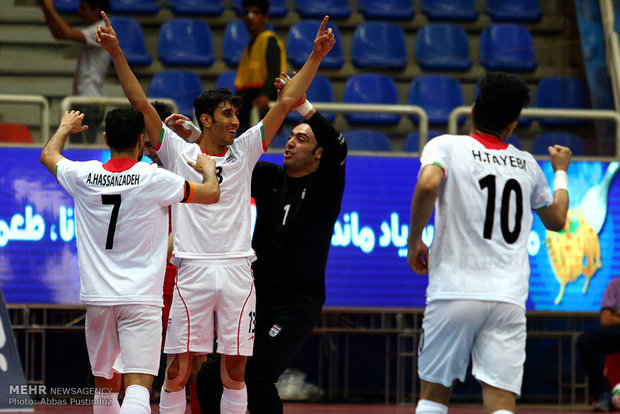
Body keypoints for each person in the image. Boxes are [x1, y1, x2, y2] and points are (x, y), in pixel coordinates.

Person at [95, 11, 335, 414]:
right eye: (227, 114)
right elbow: (138, 100)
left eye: (236, 115)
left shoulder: (246, 149)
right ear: (205, 119)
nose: (235, 121)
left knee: (235, 372)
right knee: (176, 372)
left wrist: (316, 57)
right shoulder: (177, 151)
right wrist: (116, 51)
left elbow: (288, 100)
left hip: (240, 271)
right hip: (192, 269)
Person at [407, 72, 572, 414]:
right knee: (500, 402)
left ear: (472, 110)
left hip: (454, 289)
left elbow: (427, 185)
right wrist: (560, 171)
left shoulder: (446, 146)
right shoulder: (527, 165)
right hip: (508, 298)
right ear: (512, 126)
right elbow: (557, 220)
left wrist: (415, 241)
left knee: (434, 394)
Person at [40, 108, 220, 414]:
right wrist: (207, 168)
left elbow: (48, 156)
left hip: (98, 299)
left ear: (106, 138)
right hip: (141, 299)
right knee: (137, 387)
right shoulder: (155, 178)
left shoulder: (82, 175)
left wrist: (65, 128)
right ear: (141, 140)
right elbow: (211, 194)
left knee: (105, 389)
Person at [196, 75, 347, 413]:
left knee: (258, 375)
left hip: (296, 303)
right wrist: (195, 137)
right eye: (290, 136)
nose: (290, 143)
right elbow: (226, 166)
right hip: (255, 294)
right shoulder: (268, 178)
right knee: (209, 375)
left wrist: (301, 104)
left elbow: (338, 145)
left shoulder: (325, 188)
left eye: (302, 139)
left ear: (318, 153)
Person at [39, 0, 110, 143]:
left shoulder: (101, 29)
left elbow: (66, 33)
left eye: (83, 8)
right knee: (79, 146)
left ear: (96, 9)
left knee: (82, 150)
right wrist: (46, 10)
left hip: (89, 101)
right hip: (85, 99)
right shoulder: (94, 28)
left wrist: (49, 8)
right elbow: (59, 35)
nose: (79, 12)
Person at [234, 0, 287, 135]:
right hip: (246, 104)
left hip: (262, 105)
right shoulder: (250, 45)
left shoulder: (269, 40)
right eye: (247, 13)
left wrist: (264, 95)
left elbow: (275, 71)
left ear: (265, 17)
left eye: (255, 13)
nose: (250, 17)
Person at [577, 277, 620, 412]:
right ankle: (603, 394)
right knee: (586, 340)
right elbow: (606, 320)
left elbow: (611, 317)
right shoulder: (615, 285)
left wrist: (618, 314)